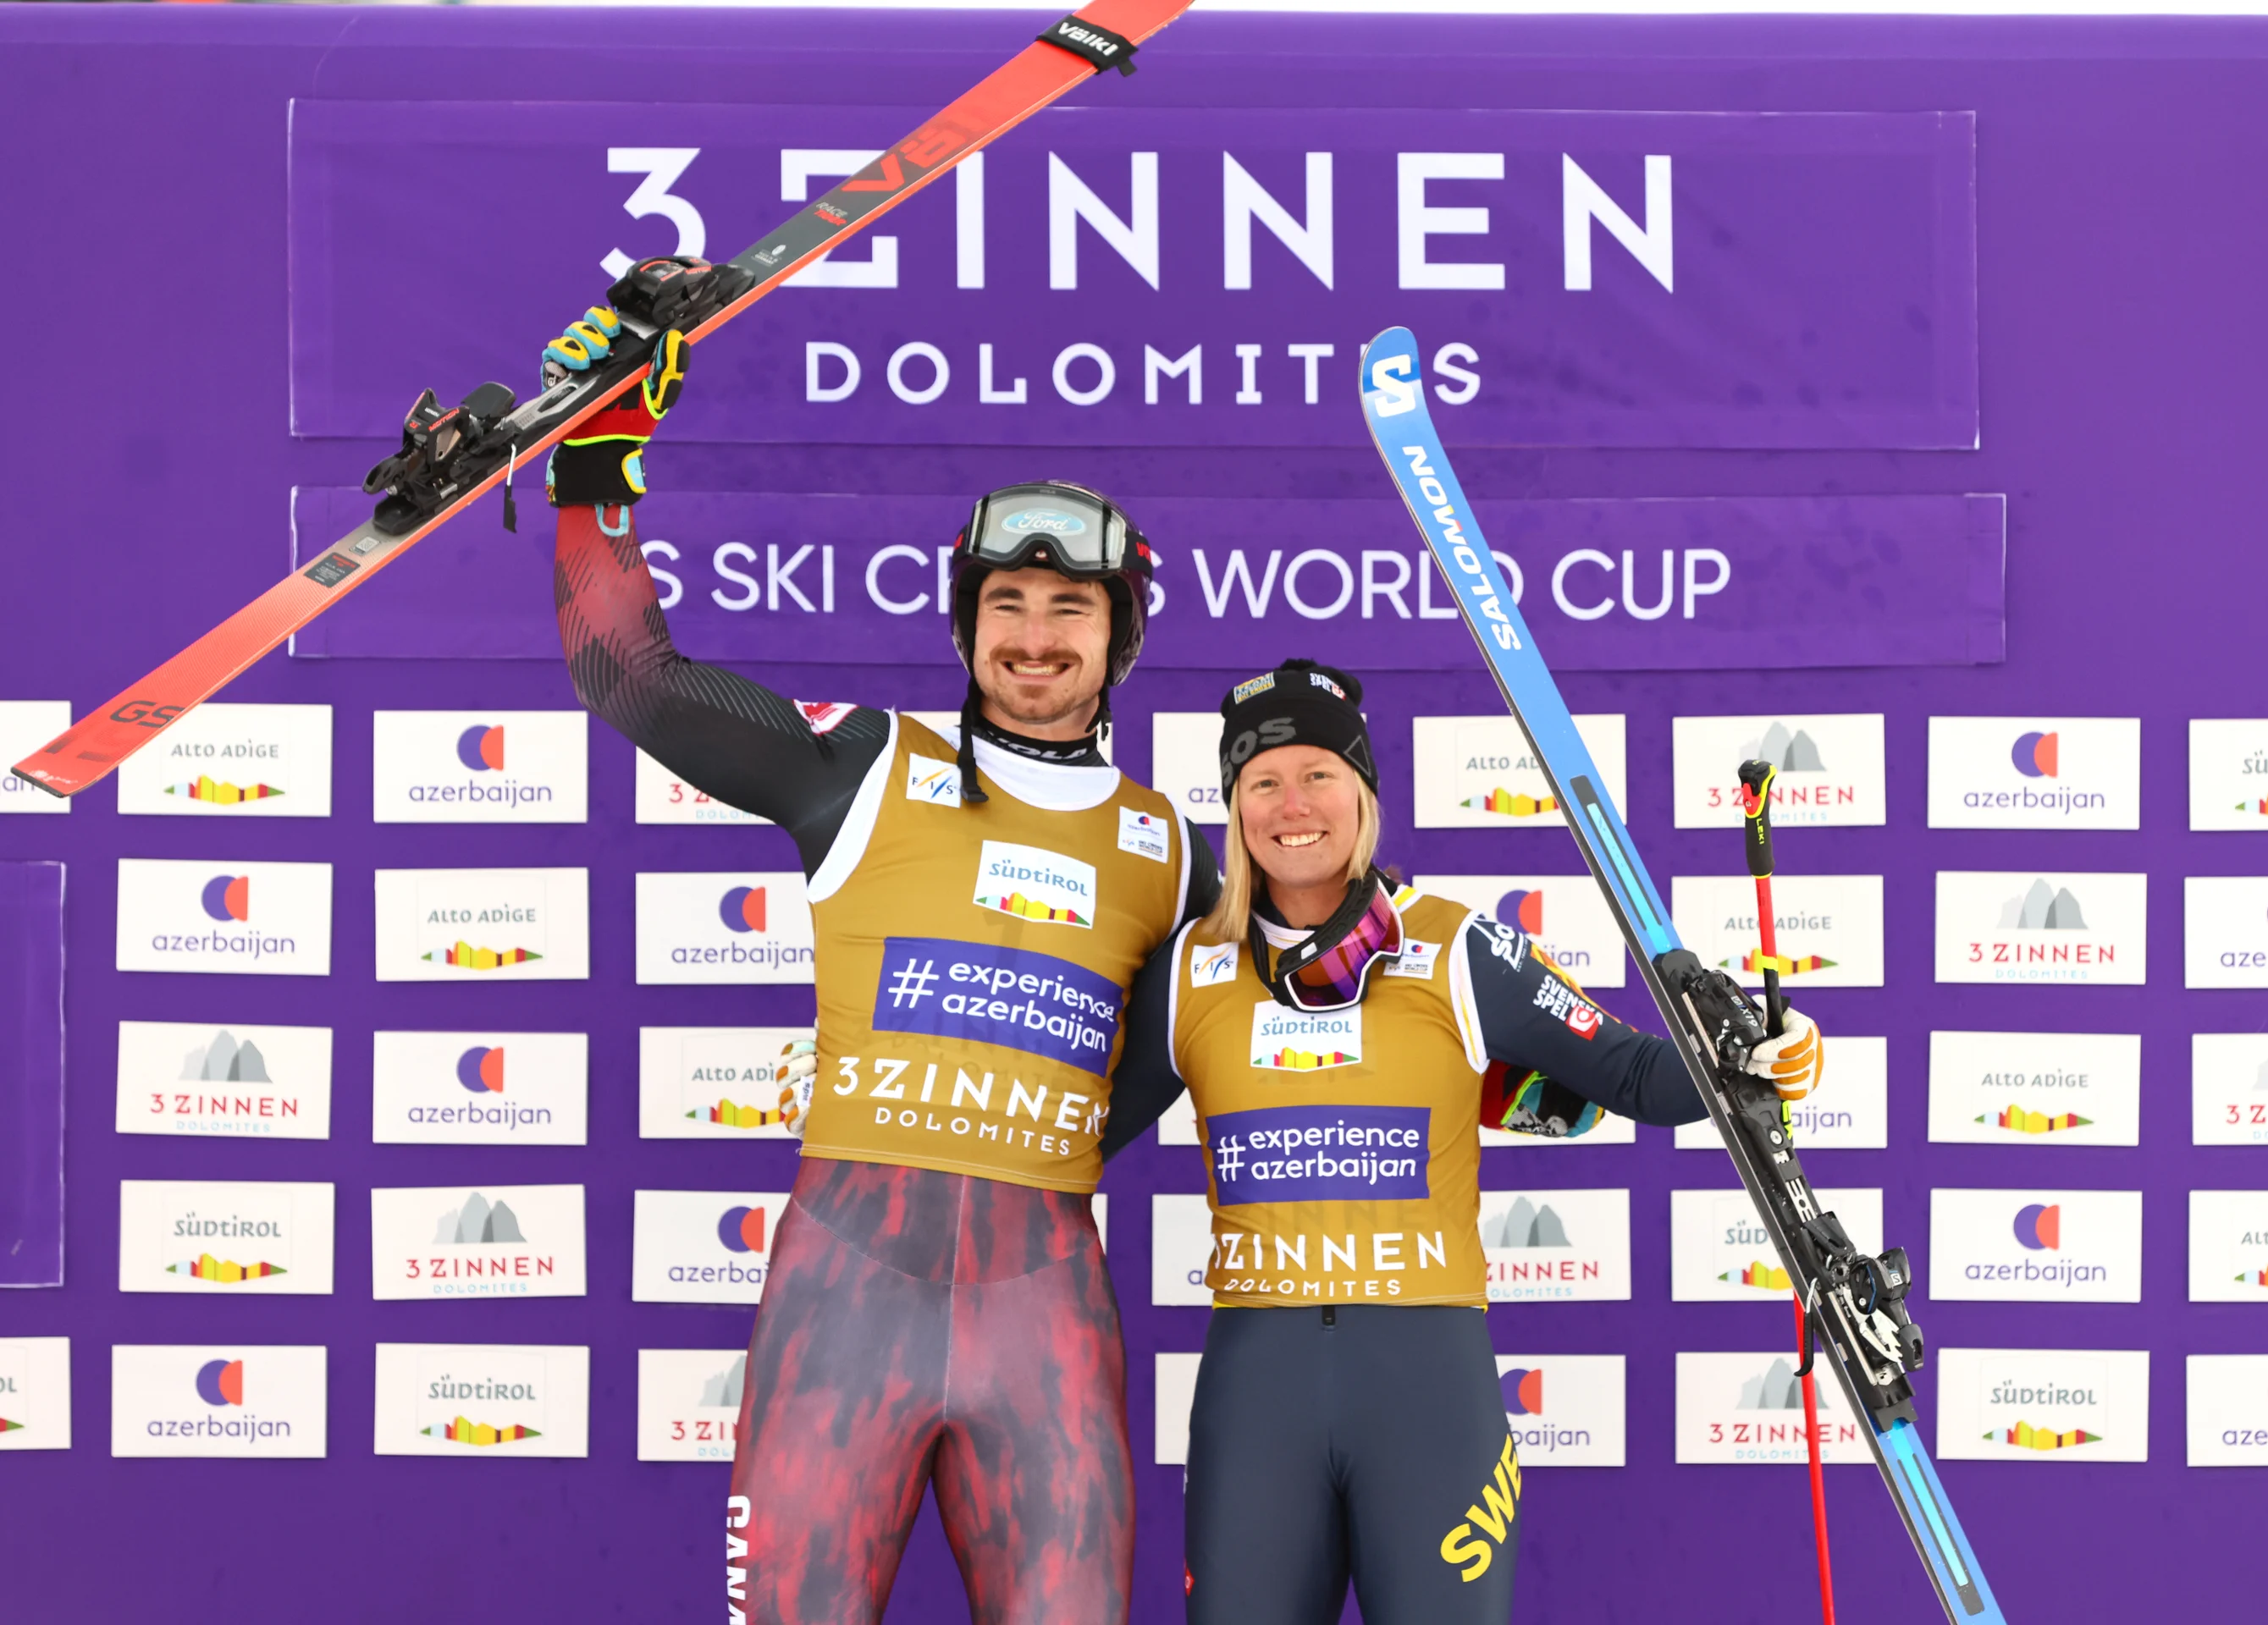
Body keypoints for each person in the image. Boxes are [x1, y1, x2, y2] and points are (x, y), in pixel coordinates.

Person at [538, 262, 1218, 1625]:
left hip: (1048, 1310)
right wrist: (595, 464)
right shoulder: (867, 766)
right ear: (966, 626)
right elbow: (631, 676)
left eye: (1068, 611)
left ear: (1119, 640)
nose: (1033, 640)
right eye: (1005, 609)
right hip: (844, 1296)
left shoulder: (1176, 849)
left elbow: (1184, 1062)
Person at [1099, 659, 1825, 1625]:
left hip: (1426, 1383)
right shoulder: (1192, 969)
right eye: (1262, 782)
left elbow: (1637, 1077)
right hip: (1258, 1385)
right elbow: (1072, 1131)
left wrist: (1757, 1060)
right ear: (1234, 808)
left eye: (1320, 774)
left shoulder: (1456, 947)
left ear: (1363, 793)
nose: (1292, 804)